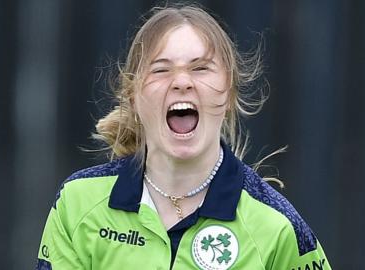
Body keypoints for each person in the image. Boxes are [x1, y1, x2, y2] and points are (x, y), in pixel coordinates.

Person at [36, 4, 331, 270]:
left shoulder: (276, 225)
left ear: (228, 92)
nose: (181, 82)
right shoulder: (77, 203)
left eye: (200, 68)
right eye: (161, 70)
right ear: (133, 95)